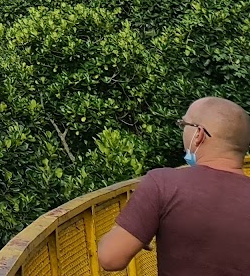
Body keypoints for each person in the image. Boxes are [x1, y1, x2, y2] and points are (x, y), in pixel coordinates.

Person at [97, 97, 250, 274]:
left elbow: (110, 258)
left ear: (198, 134)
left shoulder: (163, 184)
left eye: (183, 124)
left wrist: (139, 226)